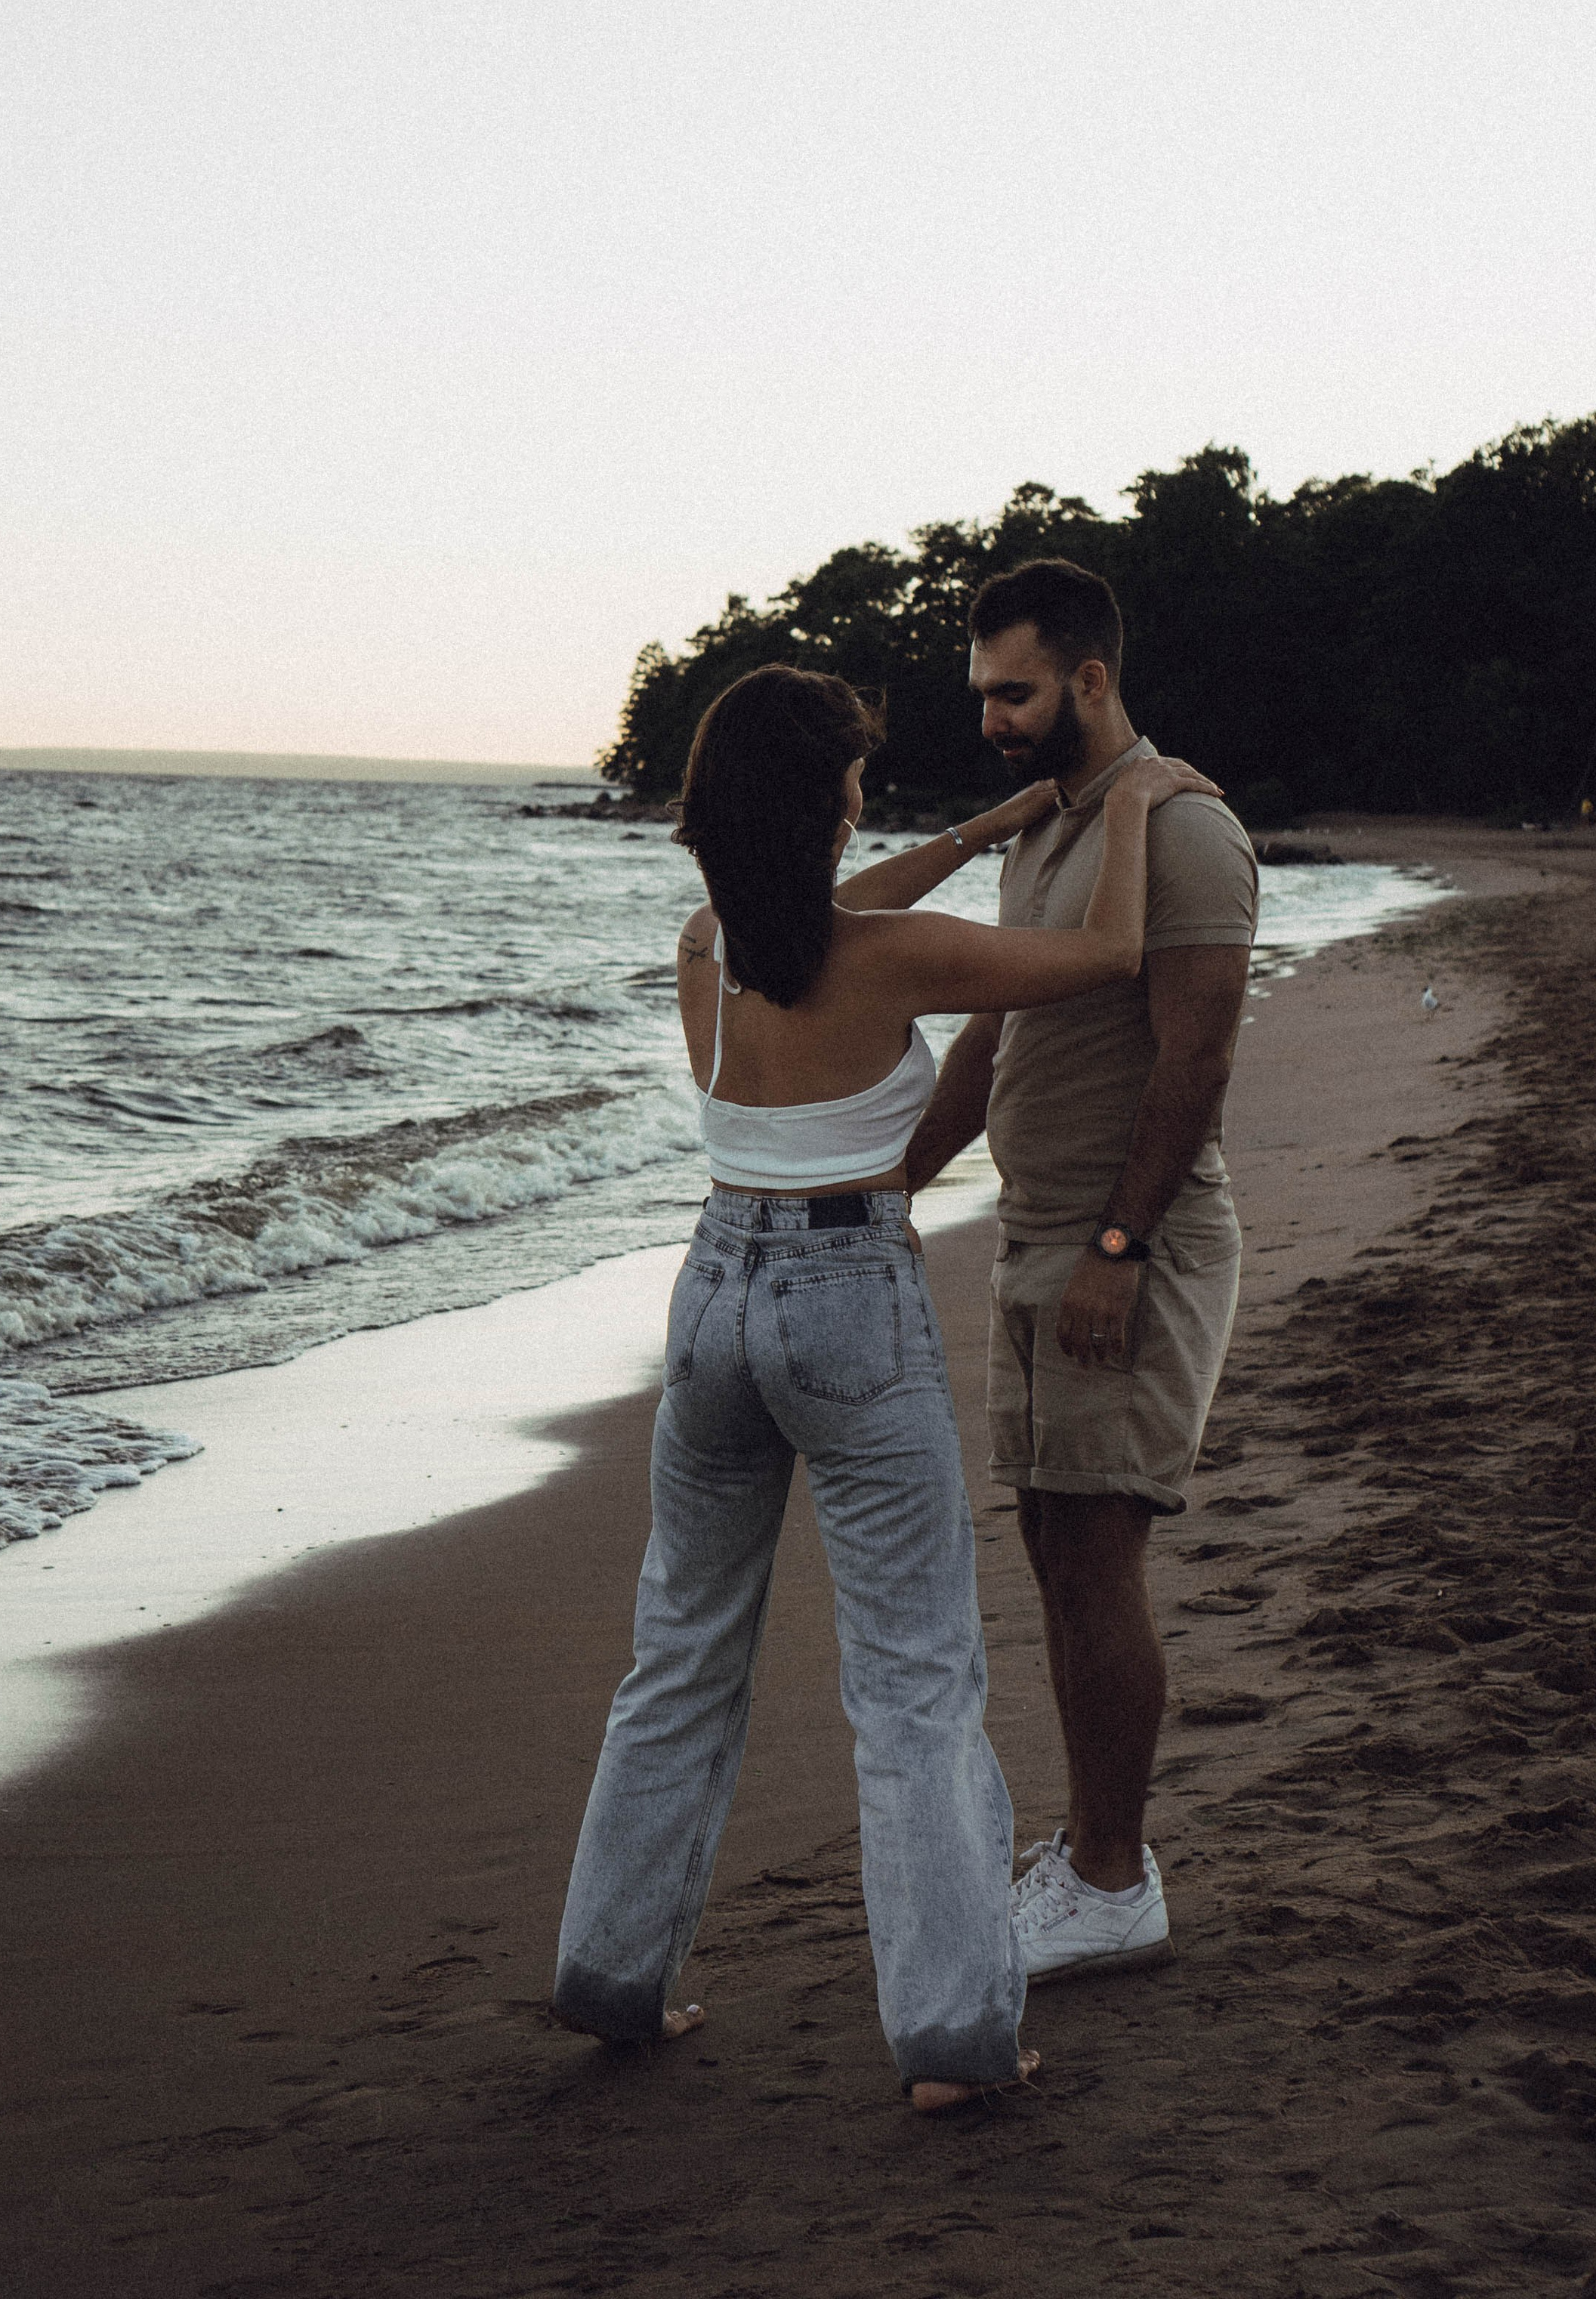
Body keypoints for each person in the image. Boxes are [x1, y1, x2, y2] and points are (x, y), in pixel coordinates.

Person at [551, 663, 1218, 2110]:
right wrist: (1136, 804)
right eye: (852, 777)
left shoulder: (704, 943)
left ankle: (610, 1980)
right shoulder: (894, 960)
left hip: (711, 1298)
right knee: (915, 1686)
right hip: (850, 1299)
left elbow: (836, 905)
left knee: (677, 1660)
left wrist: (985, 834)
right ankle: (956, 2043)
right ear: (829, 803)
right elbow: (1108, 955)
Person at [903, 558, 1258, 1988]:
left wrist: (1121, 1246)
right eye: (982, 692)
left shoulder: (1184, 834)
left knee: (1100, 1554)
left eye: (1016, 692)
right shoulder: (1055, 829)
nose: (992, 716)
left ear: (1090, 680)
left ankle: (1114, 1881)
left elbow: (1201, 1054)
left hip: (1129, 1250)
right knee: (1055, 1551)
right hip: (1037, 1239)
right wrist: (895, 1186)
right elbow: (993, 1028)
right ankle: (1090, 1848)